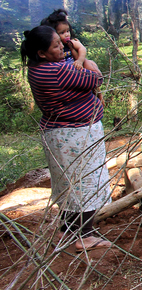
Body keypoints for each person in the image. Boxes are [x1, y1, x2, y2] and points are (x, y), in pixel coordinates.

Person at [22, 26, 111, 251]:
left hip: (63, 134)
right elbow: (95, 79)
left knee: (70, 184)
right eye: (56, 45)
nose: (62, 46)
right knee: (85, 184)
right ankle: (85, 236)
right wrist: (81, 55)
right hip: (74, 135)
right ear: (42, 53)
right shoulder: (56, 71)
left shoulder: (38, 67)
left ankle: (68, 230)